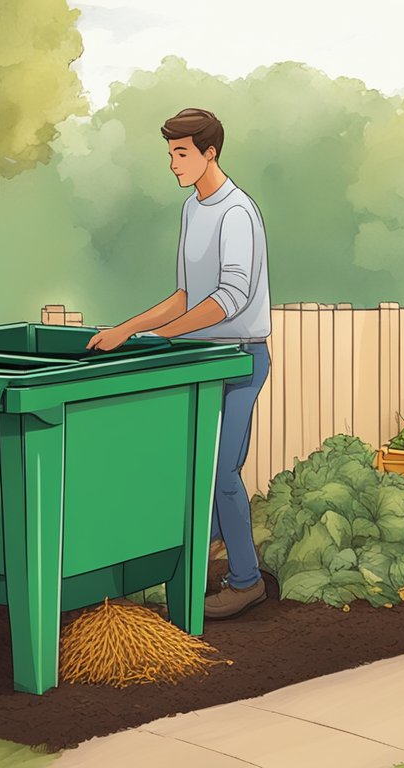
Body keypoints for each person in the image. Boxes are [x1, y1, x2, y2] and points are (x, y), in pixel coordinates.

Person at [86, 107, 272, 620]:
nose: (172, 164)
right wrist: (127, 330)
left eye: (181, 153)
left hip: (239, 359)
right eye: (169, 153)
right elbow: (186, 294)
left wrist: (163, 337)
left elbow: (230, 297)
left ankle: (246, 581)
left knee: (224, 473)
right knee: (190, 468)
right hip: (199, 359)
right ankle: (198, 554)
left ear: (210, 152)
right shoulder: (193, 210)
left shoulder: (238, 213)